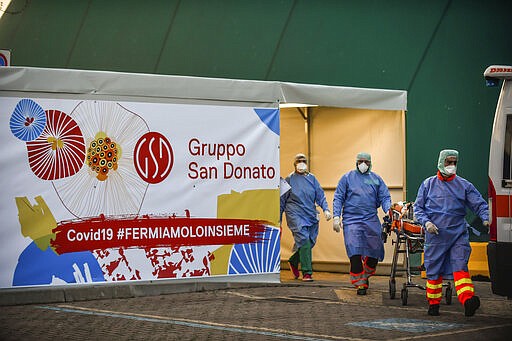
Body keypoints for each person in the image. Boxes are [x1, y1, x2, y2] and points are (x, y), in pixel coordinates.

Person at [414, 149, 489, 317]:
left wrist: (486, 217)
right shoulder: (428, 184)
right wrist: (426, 223)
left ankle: (468, 300)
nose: (451, 166)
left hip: (457, 235)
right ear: (441, 162)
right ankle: (433, 304)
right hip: (436, 236)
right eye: (448, 162)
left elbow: (479, 204)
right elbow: (418, 209)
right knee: (434, 270)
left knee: (460, 266)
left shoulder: (464, 185)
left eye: (454, 162)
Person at [332, 152, 391, 295]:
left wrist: (389, 209)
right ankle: (360, 283)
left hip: (370, 218)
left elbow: (384, 196)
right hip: (351, 219)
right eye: (361, 161)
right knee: (354, 249)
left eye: (366, 161)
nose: (363, 164)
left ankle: (366, 273)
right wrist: (336, 216)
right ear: (356, 162)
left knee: (375, 248)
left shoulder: (375, 179)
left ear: (370, 163)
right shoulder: (347, 178)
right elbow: (338, 197)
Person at [280, 153, 332, 281]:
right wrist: (279, 218)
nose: (301, 163)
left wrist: (326, 209)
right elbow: (281, 200)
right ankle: (307, 272)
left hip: (310, 213)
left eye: (303, 161)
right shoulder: (289, 179)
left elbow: (320, 195)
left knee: (311, 241)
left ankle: (293, 261)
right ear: (294, 163)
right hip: (294, 213)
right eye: (298, 161)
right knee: (304, 240)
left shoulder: (312, 179)